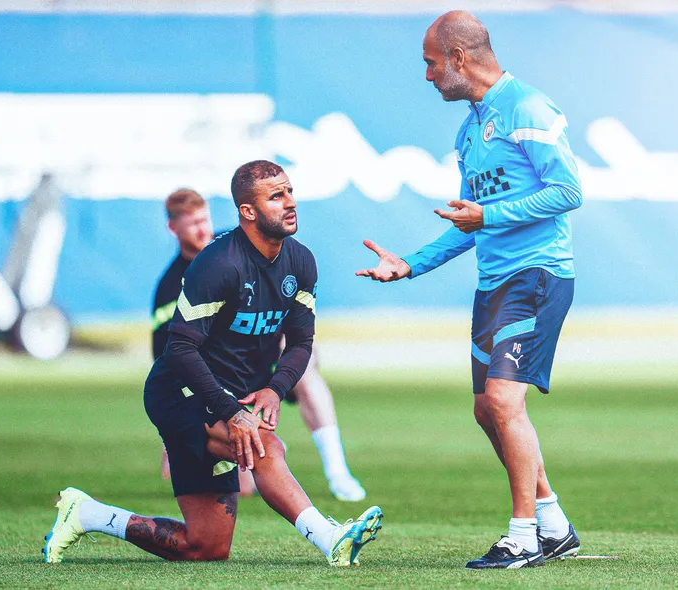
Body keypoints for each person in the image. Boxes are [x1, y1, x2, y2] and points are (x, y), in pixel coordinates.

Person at [44, 160, 383, 566]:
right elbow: (180, 349)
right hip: (180, 392)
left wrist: (275, 389)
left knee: (205, 547)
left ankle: (87, 514)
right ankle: (331, 539)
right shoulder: (218, 263)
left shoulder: (301, 261)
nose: (290, 202)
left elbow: (300, 342)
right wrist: (231, 412)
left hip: (229, 396)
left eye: (290, 191)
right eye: (276, 196)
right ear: (248, 211)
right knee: (265, 445)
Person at [356, 11, 582, 570]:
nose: (428, 75)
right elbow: (468, 222)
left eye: (431, 63)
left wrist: (489, 215)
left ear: (458, 58)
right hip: (494, 284)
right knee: (486, 410)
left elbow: (568, 191)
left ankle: (523, 537)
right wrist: (409, 265)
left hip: (538, 274)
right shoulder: (468, 131)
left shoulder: (529, 107)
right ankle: (554, 523)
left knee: (504, 401)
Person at [152, 189, 367, 502]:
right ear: (173, 228)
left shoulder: (234, 247)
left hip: (265, 355)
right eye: (192, 224)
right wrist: (172, 429)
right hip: (223, 382)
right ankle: (265, 445)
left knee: (305, 369)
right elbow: (171, 357)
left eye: (204, 219)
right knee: (242, 487)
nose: (202, 229)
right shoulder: (170, 288)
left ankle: (338, 472)